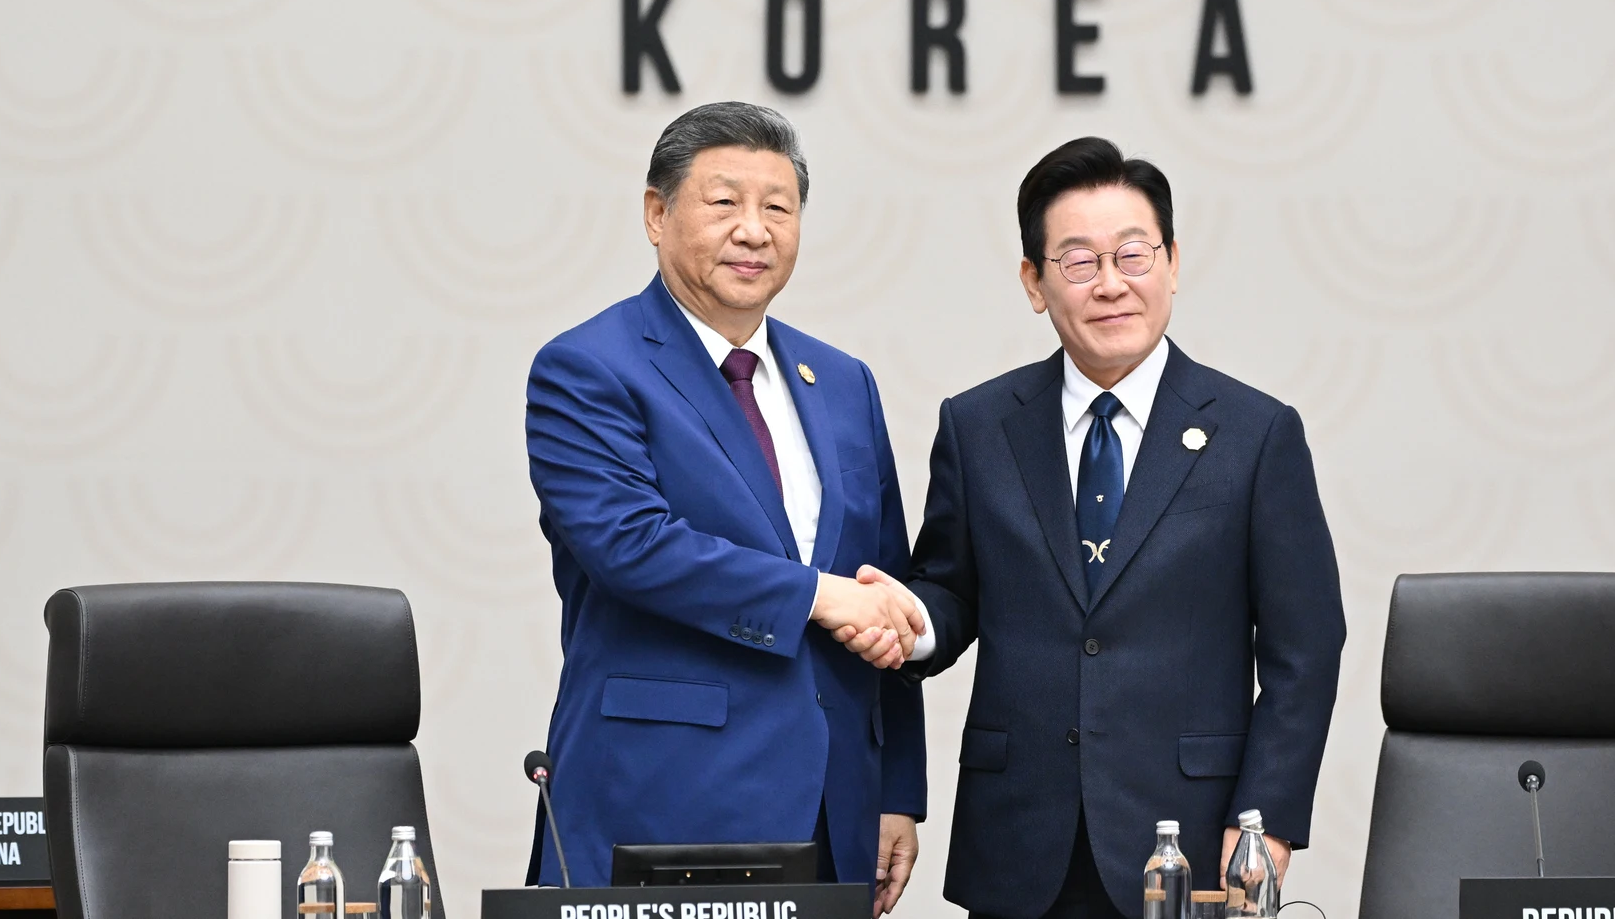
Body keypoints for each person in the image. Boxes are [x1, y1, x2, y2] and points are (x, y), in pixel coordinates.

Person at [841, 137, 1345, 919]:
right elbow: (949, 589)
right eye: (1078, 262)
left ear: (1173, 262)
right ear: (1034, 283)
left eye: (1133, 255)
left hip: (1190, 839)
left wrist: (1266, 823)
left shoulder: (1256, 433)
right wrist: (908, 627)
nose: (1110, 284)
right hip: (1019, 841)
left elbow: (1305, 649)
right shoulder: (979, 427)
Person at [524, 102, 925, 914]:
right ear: (656, 213)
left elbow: (884, 588)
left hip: (831, 809)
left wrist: (897, 789)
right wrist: (819, 594)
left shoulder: (842, 381)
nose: (754, 230)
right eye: (724, 203)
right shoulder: (587, 368)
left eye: (778, 207)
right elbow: (632, 544)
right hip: (664, 796)